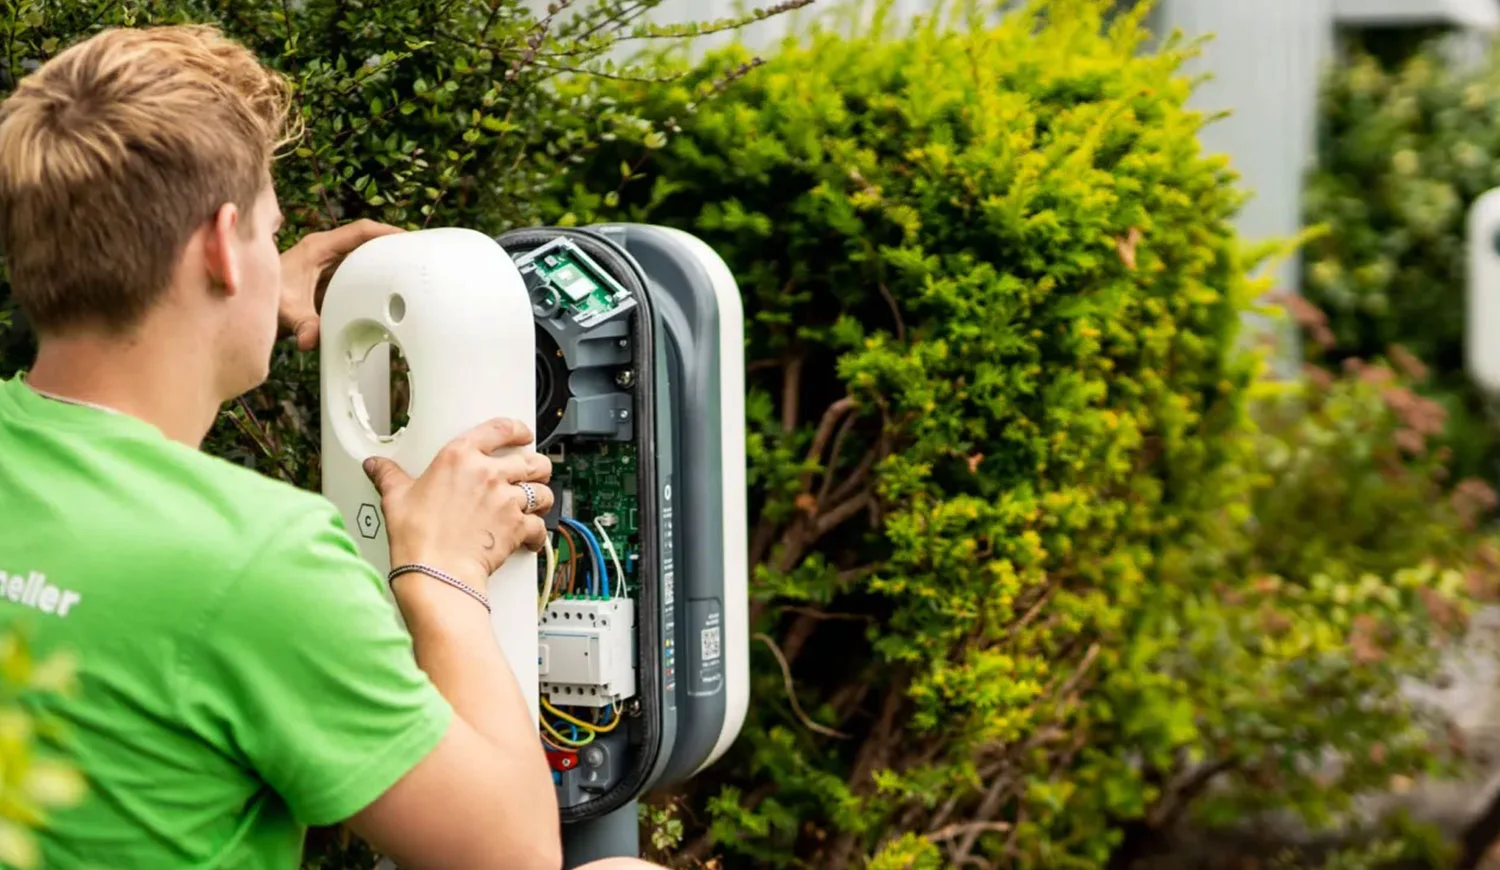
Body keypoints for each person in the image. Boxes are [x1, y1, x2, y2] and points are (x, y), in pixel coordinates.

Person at [0, 22, 659, 870]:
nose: (280, 258)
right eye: (268, 234)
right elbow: (512, 856)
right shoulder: (252, 558)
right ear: (217, 249)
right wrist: (444, 576)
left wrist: (236, 299)